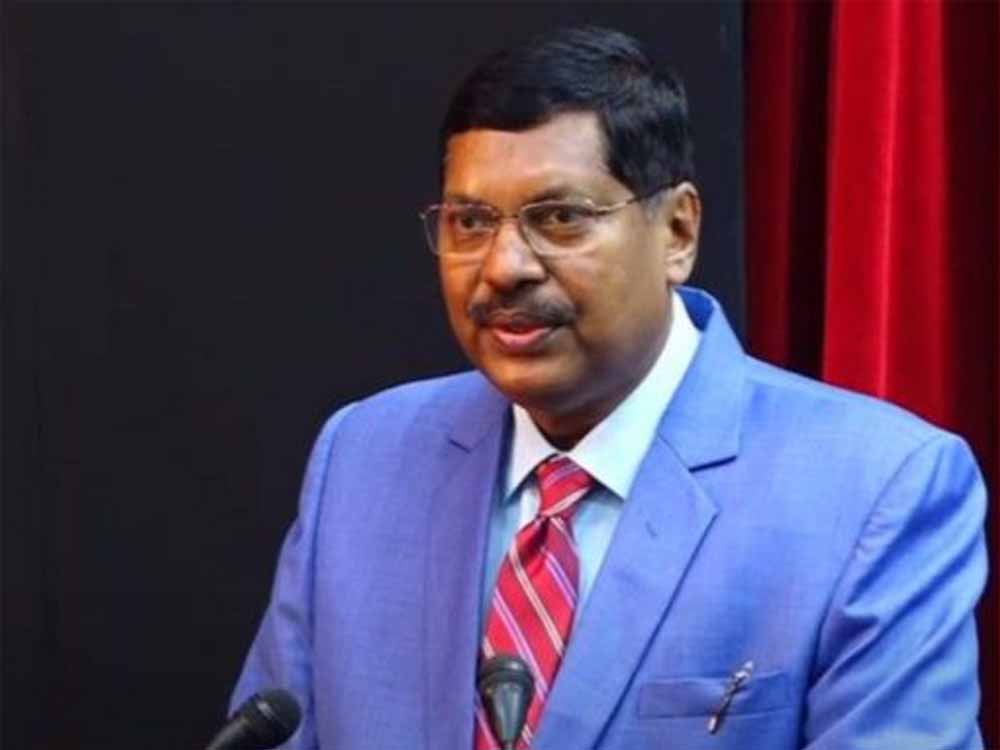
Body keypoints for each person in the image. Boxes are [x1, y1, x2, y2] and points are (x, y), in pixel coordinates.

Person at [229, 26, 987, 750]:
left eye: (559, 217)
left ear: (678, 232)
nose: (504, 266)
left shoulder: (875, 489)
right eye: (470, 222)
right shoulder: (364, 459)